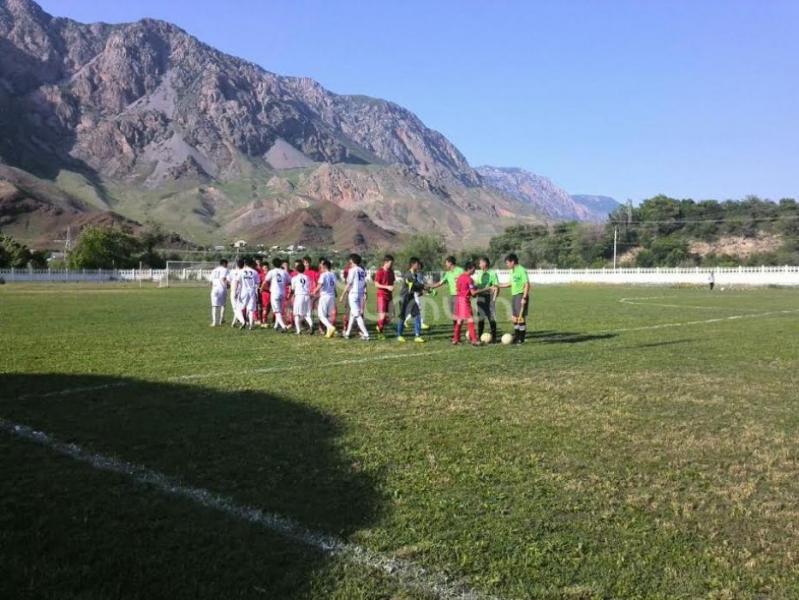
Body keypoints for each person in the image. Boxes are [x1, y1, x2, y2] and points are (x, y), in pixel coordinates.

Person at [498, 253, 530, 344]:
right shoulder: (512, 271)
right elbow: (510, 283)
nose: (507, 265)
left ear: (512, 262)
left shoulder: (521, 270)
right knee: (514, 318)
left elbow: (527, 284)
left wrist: (524, 297)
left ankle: (521, 338)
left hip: (520, 295)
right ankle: (517, 336)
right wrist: (498, 285)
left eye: (507, 263)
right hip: (514, 295)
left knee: (520, 318)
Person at [339, 253, 370, 340]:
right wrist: (365, 293)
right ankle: (347, 333)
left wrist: (342, 295)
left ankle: (366, 334)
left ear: (352, 261)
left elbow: (348, 283)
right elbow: (364, 284)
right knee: (352, 314)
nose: (349, 262)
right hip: (360, 294)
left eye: (350, 260)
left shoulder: (352, 270)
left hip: (353, 294)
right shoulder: (362, 270)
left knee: (357, 315)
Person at [396, 257, 426, 343]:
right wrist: (425, 287)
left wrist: (421, 291)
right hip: (404, 298)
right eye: (417, 264)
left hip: (411, 298)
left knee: (417, 315)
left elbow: (415, 287)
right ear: (413, 264)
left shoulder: (414, 274)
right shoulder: (409, 275)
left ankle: (417, 336)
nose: (418, 265)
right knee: (402, 317)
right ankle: (399, 335)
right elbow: (416, 285)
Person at [453, 261, 482, 346]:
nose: (474, 271)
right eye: (474, 269)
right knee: (470, 320)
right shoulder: (469, 279)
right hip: (464, 301)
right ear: (470, 268)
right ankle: (474, 340)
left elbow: (462, 288)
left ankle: (455, 339)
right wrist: (487, 289)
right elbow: (473, 293)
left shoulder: (460, 277)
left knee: (459, 320)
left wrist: (474, 287)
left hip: (458, 300)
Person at [428, 256, 464, 323]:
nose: (445, 264)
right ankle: (456, 328)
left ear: (450, 263)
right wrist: (431, 286)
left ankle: (459, 327)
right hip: (452, 296)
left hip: (460, 296)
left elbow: (467, 280)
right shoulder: (448, 273)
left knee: (459, 315)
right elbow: (440, 283)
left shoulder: (460, 270)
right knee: (453, 316)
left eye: (446, 263)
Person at [473, 256, 499, 341]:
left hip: (489, 298)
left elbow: (496, 287)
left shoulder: (492, 273)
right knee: (481, 318)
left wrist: (494, 300)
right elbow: (477, 285)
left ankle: (494, 337)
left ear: (485, 263)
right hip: (480, 298)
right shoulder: (480, 273)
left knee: (491, 318)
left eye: (480, 263)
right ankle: (480, 336)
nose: (479, 265)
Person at [313, 259, 338, 337]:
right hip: (332, 296)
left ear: (325, 266)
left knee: (321, 315)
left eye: (322, 266)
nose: (321, 267)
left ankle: (330, 327)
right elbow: (334, 286)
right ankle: (329, 332)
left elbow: (320, 285)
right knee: (329, 315)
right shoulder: (333, 274)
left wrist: (314, 291)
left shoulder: (323, 275)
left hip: (325, 296)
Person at [265, 258, 290, 332]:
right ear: (281, 264)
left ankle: (283, 326)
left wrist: (262, 288)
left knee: (277, 311)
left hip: (275, 293)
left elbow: (265, 281)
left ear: (273, 264)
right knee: (279, 311)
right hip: (282, 293)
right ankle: (276, 326)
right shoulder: (284, 272)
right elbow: (289, 282)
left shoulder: (271, 272)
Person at [289, 260, 314, 335]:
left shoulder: (294, 278)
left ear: (296, 269)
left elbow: (292, 289)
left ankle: (298, 331)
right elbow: (309, 286)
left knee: (296, 314)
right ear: (304, 269)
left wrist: (291, 296)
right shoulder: (307, 277)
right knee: (307, 314)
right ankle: (311, 325)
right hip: (307, 296)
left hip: (299, 296)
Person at [374, 254, 395, 339]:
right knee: (382, 316)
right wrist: (387, 287)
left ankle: (379, 325)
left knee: (392, 317)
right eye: (390, 263)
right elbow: (376, 284)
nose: (391, 265)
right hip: (381, 296)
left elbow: (392, 282)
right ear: (385, 262)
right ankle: (380, 333)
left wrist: (392, 287)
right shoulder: (380, 272)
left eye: (392, 263)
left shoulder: (391, 272)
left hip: (389, 296)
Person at [237, 258, 261, 330]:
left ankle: (243, 321)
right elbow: (258, 283)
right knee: (251, 309)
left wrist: (236, 291)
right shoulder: (255, 272)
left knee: (239, 307)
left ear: (245, 263)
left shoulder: (241, 271)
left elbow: (237, 281)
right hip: (252, 291)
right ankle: (251, 325)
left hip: (243, 291)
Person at [209, 259, 229, 327]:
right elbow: (224, 279)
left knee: (214, 306)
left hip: (214, 289)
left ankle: (214, 322)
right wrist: (228, 285)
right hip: (222, 288)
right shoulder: (225, 269)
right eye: (226, 264)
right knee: (223, 305)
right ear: (224, 264)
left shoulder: (214, 270)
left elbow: (210, 282)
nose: (227, 265)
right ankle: (221, 320)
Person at [255, 258, 270, 326]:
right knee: (265, 307)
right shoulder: (260, 275)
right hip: (264, 293)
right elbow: (258, 284)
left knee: (268, 307)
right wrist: (260, 288)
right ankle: (264, 321)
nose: (266, 269)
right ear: (262, 268)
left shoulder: (271, 274)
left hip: (271, 292)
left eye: (267, 267)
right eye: (264, 267)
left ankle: (263, 319)